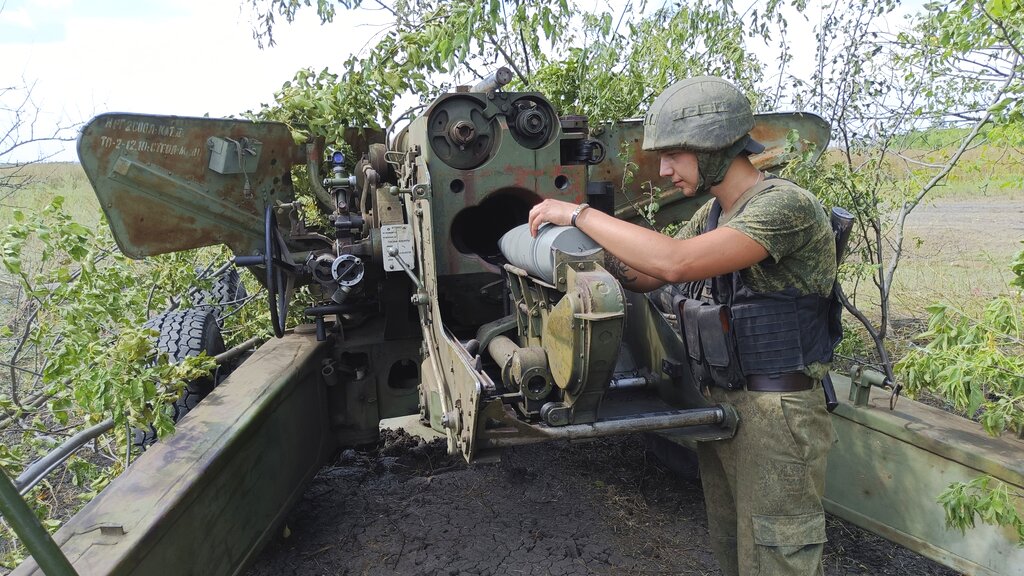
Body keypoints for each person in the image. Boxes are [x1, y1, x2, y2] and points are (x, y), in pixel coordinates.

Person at [527, 76, 839, 576]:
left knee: (778, 557)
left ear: (714, 146)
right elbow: (647, 275)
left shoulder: (785, 206)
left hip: (779, 414)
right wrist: (576, 254)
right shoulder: (715, 214)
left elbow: (674, 263)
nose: (665, 169)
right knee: (735, 551)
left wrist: (579, 213)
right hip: (725, 406)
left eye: (674, 155)